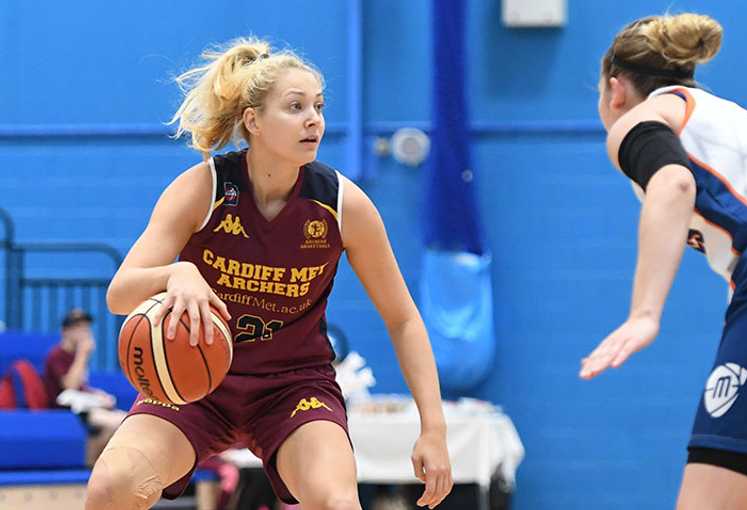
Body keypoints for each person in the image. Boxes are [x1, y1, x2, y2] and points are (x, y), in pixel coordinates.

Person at [85, 37, 452, 510]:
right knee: (110, 486)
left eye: (318, 106)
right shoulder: (203, 188)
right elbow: (120, 294)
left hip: (293, 387)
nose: (314, 119)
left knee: (338, 502)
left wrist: (434, 429)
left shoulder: (344, 205)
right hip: (196, 385)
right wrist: (177, 275)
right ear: (253, 121)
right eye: (295, 107)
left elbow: (403, 319)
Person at [579, 13, 747, 510]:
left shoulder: (641, 119)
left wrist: (644, 314)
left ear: (615, 90)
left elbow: (673, 182)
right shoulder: (744, 120)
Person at [43, 308, 126, 466]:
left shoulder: (74, 355)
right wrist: (83, 353)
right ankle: (91, 467)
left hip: (85, 408)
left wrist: (97, 394)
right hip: (65, 410)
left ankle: (94, 467)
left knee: (119, 425)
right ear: (65, 331)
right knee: (119, 423)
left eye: (86, 328)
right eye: (78, 328)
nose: (84, 332)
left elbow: (81, 387)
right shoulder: (56, 355)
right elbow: (70, 386)